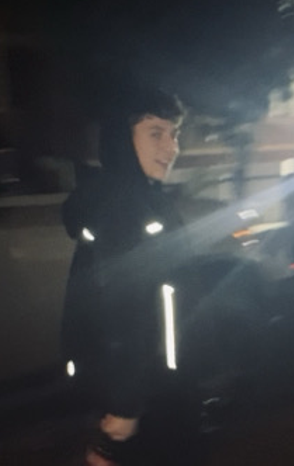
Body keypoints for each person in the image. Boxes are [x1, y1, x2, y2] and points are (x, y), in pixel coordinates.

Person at [61, 88, 191, 466]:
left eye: (174, 134)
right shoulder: (123, 210)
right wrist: (126, 405)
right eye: (155, 133)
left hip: (153, 387)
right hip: (142, 394)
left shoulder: (145, 201)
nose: (171, 147)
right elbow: (121, 311)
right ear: (121, 140)